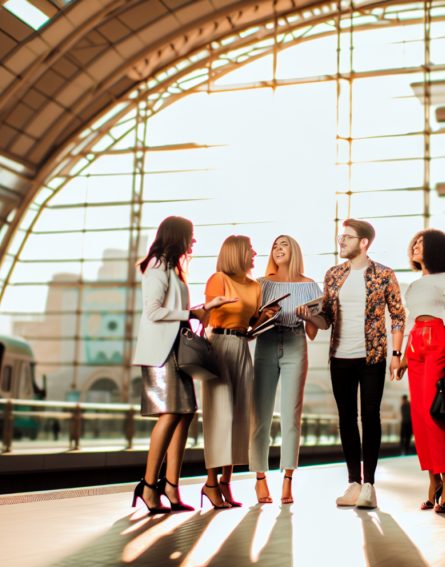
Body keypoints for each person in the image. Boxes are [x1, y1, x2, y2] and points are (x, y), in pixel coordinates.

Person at [297, 218, 405, 510]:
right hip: (339, 358)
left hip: (372, 356)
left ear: (364, 242)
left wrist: (397, 356)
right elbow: (326, 318)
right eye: (340, 236)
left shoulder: (384, 274)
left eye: (347, 237)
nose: (340, 241)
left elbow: (397, 315)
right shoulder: (333, 275)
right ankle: (353, 483)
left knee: (370, 416)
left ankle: (369, 485)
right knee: (346, 419)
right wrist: (309, 317)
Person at [130, 216, 235, 514]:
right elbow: (152, 312)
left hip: (176, 349)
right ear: (178, 236)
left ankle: (171, 487)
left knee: (186, 414)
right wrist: (190, 313)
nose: (194, 241)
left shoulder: (174, 267)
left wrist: (203, 311)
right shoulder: (156, 266)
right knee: (171, 414)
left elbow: (176, 311)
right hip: (161, 353)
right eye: (191, 235)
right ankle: (149, 486)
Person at [200, 235, 279, 508]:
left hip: (242, 347)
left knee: (238, 419)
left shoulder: (255, 286)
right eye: (249, 249)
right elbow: (207, 318)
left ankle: (225, 483)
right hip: (218, 346)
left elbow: (250, 326)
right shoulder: (218, 279)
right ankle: (210, 484)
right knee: (218, 416)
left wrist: (265, 317)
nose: (254, 252)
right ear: (236, 253)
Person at [395, 229, 445, 514]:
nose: (415, 246)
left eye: (421, 244)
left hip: (437, 342)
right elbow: (411, 319)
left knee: (435, 415)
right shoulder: (413, 285)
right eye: (414, 243)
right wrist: (401, 358)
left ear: (436, 249)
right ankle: (433, 480)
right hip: (415, 346)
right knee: (419, 417)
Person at [250, 235, 321, 505]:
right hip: (266, 344)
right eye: (275, 246)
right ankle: (259, 479)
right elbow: (252, 327)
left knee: (291, 417)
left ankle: (288, 479)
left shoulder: (310, 286)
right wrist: (263, 316)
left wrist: (309, 316)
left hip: (295, 343)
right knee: (261, 416)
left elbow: (313, 331)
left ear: (295, 251)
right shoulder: (262, 284)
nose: (279, 249)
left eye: (285, 245)